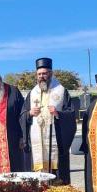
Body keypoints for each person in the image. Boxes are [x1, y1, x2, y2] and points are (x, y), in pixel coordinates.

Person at [20, 57, 77, 185]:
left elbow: (71, 114)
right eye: (39, 74)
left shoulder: (61, 91)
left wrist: (58, 114)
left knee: (56, 177)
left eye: (44, 73)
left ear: (50, 73)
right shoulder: (32, 93)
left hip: (56, 143)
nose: (42, 77)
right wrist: (29, 113)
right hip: (37, 144)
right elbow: (22, 115)